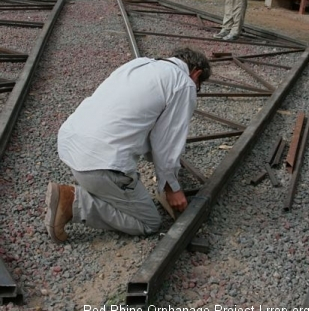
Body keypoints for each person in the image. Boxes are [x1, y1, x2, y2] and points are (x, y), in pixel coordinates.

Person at [44, 47, 211, 244]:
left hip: (72, 148)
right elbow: (167, 142)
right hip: (101, 164)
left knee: (119, 184)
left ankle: (99, 191)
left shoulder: (139, 64)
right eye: (198, 85)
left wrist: (166, 177)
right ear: (196, 73)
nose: (195, 89)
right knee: (149, 222)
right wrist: (172, 188)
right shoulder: (184, 84)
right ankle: (74, 202)